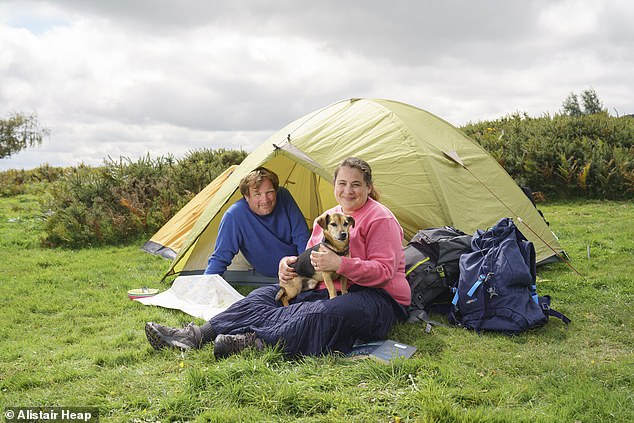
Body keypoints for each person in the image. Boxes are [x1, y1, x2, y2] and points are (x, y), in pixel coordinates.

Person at [145, 157, 411, 357]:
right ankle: (196, 335)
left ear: (369, 187)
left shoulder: (380, 218)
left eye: (356, 184)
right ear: (334, 185)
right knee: (264, 295)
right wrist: (289, 265)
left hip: (378, 298)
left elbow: (384, 272)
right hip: (327, 286)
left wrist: (342, 264)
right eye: (342, 183)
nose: (348, 190)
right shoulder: (328, 217)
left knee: (324, 311)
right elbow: (310, 256)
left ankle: (252, 342)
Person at [204, 167, 310, 278]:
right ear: (246, 196)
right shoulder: (234, 215)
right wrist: (205, 285)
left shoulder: (283, 196)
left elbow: (302, 236)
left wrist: (305, 270)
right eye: (257, 194)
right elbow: (221, 256)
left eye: (269, 192)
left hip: (297, 266)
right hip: (272, 274)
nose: (265, 200)